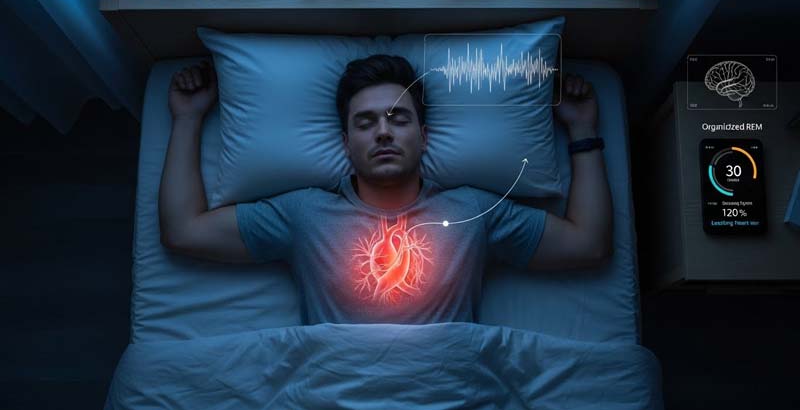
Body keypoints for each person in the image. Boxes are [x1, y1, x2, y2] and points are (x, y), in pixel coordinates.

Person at [159, 55, 612, 324]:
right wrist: (188, 119)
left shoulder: (474, 209)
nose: (382, 132)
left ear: (425, 136)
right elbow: (184, 231)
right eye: (366, 122)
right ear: (345, 143)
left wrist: (583, 130)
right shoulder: (304, 214)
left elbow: (587, 245)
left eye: (398, 119)